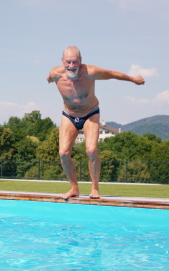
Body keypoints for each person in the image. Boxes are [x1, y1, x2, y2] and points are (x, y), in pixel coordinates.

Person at [47, 46, 145, 200]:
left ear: (80, 61)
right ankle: (74, 188)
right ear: (62, 61)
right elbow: (49, 77)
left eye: (75, 62)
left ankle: (94, 188)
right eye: (68, 62)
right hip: (69, 115)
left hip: (89, 113)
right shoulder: (55, 74)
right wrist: (47, 80)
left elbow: (113, 74)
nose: (71, 66)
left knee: (91, 151)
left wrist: (133, 79)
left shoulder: (90, 72)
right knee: (63, 153)